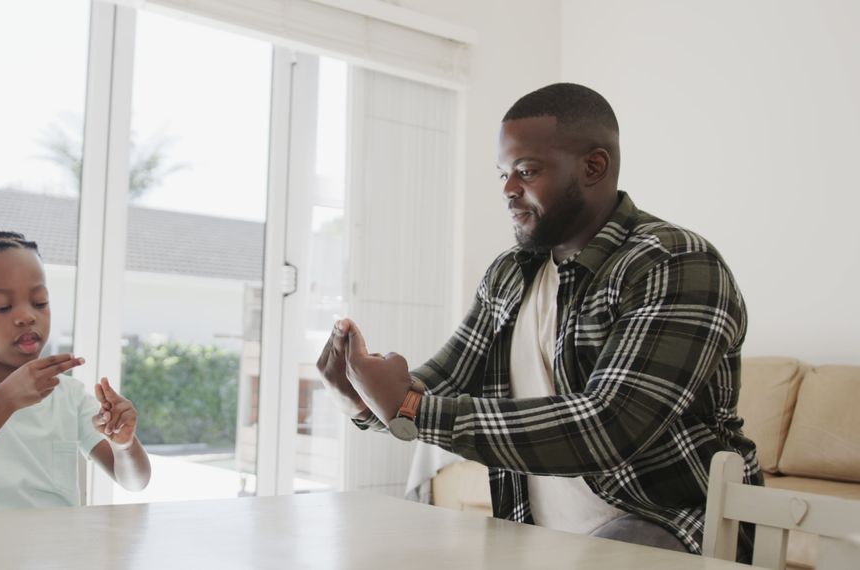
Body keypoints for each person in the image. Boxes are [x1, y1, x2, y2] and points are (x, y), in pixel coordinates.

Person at [316, 83, 761, 560]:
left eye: (526, 171)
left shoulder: (672, 262)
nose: (508, 190)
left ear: (594, 167)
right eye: (504, 173)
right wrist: (360, 400)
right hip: (538, 527)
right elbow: (435, 387)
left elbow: (608, 426)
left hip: (675, 520)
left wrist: (406, 407)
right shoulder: (510, 273)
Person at [0, 231, 151, 513]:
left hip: (54, 549)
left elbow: (135, 481)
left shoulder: (71, 394)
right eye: (2, 307)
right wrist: (5, 399)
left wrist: (124, 444)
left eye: (40, 302)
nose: (27, 316)